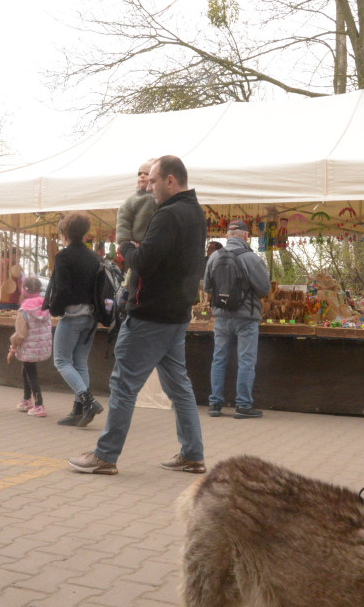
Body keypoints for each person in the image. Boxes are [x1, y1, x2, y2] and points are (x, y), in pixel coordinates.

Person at [68, 155, 206, 476]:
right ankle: (192, 453)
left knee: (124, 384)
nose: (149, 187)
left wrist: (127, 248)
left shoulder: (167, 216)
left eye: (154, 181)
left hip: (150, 315)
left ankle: (105, 455)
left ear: (170, 180)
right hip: (176, 314)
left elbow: (143, 262)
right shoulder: (196, 214)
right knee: (179, 387)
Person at [204, 220, 271, 418]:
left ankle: (215, 404)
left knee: (218, 359)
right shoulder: (252, 259)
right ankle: (243, 406)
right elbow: (264, 289)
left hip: (221, 318)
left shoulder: (214, 257)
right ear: (245, 236)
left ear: (227, 236)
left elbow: (207, 288)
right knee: (246, 361)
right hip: (246, 318)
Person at [46, 212, 103, 427]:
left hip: (71, 315)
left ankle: (87, 400)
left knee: (61, 360)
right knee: (80, 362)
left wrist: (55, 310)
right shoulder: (94, 257)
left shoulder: (64, 257)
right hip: (91, 317)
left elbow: (62, 289)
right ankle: (78, 411)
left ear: (64, 233)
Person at [8, 276, 52, 417]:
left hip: (28, 347)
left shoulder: (24, 310)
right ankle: (27, 399)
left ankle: (39, 405)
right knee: (26, 369)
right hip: (41, 347)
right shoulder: (45, 305)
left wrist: (12, 348)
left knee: (31, 373)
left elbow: (20, 334)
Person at [115, 158, 157, 298]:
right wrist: (126, 241)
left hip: (153, 244)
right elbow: (123, 221)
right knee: (134, 274)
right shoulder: (132, 200)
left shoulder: (158, 199)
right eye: (140, 174)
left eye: (146, 173)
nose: (142, 176)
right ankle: (126, 293)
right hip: (136, 244)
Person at [0, 246, 23, 310]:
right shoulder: (17, 269)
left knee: (1, 319)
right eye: (19, 257)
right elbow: (20, 288)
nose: (19, 260)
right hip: (13, 303)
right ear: (14, 256)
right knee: (11, 320)